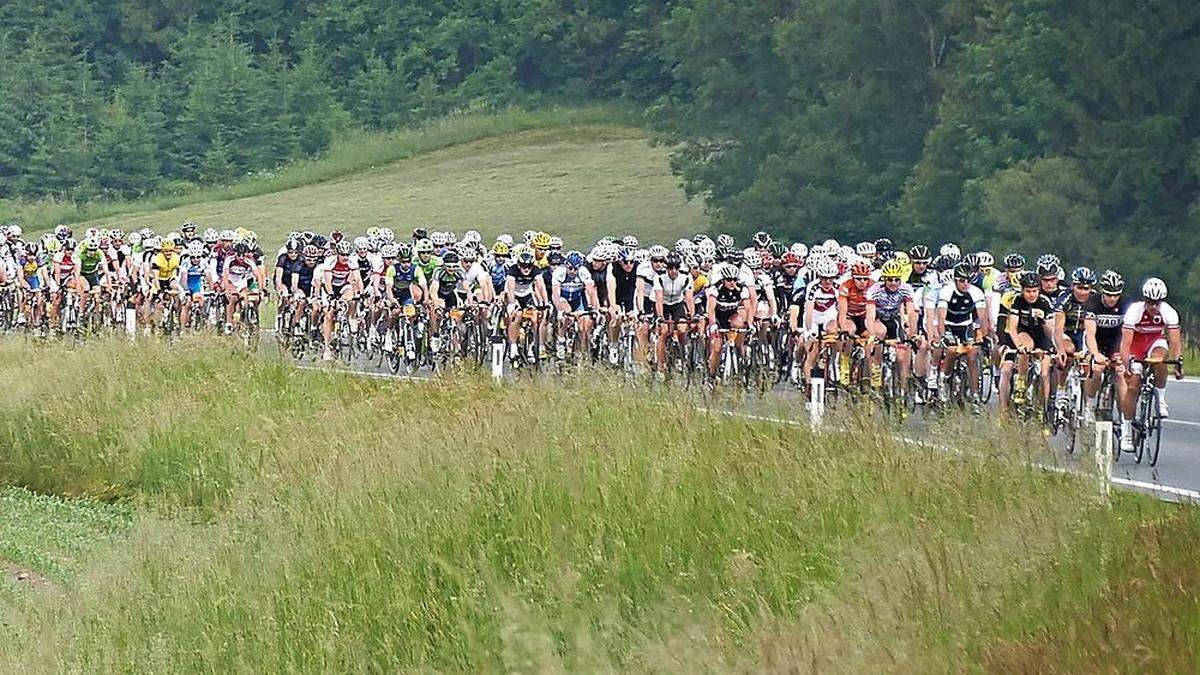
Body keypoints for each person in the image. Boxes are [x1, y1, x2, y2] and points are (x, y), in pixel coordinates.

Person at [1117, 277, 1183, 451]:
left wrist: (1178, 362)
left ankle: (1160, 399)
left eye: (1156, 303)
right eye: (1149, 302)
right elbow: (1125, 344)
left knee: (1160, 359)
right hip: (1135, 346)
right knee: (1132, 387)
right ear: (1144, 300)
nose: (1153, 307)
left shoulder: (1168, 311)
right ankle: (1126, 432)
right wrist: (1127, 366)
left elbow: (1175, 341)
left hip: (1155, 342)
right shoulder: (1134, 311)